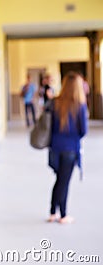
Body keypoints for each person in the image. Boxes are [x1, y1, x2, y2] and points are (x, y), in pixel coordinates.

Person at [47, 71, 88, 224]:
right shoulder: (80, 105)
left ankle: (52, 212)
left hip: (54, 148)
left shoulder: (55, 102)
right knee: (64, 182)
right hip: (70, 149)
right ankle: (63, 215)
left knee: (59, 180)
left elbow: (49, 126)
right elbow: (83, 131)